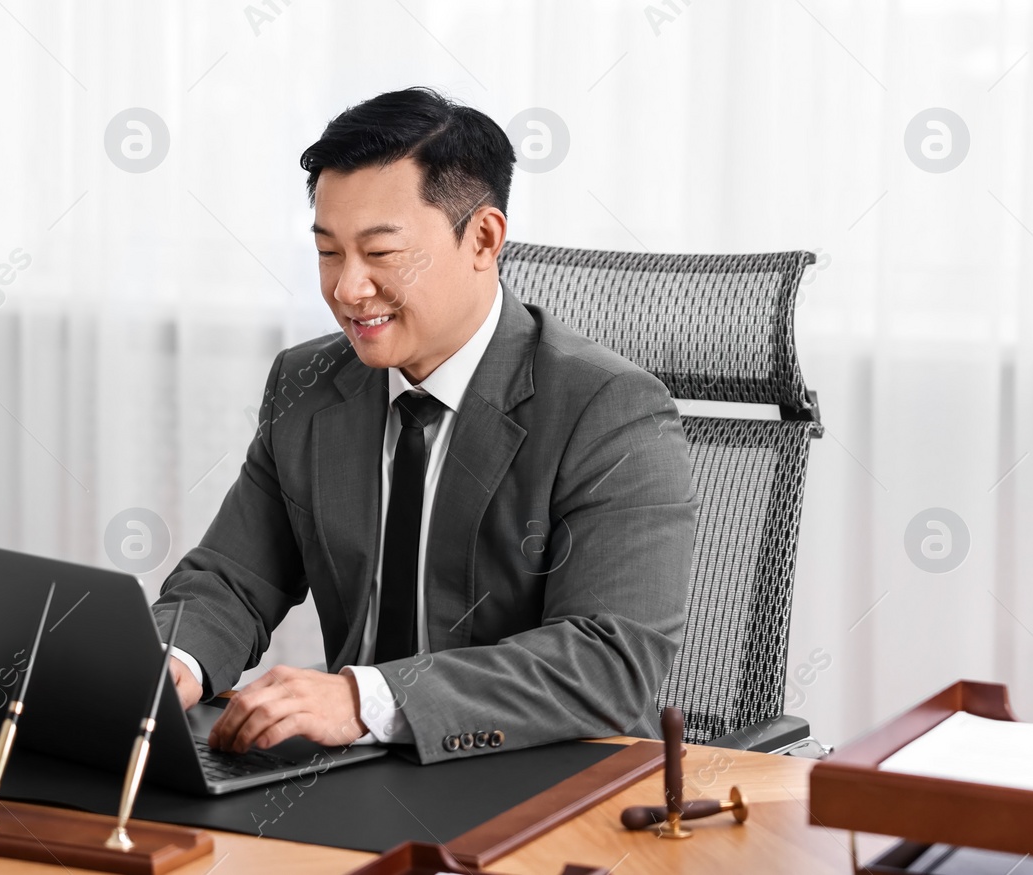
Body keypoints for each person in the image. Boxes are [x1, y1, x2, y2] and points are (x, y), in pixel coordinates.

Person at [153, 86, 697, 764]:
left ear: (483, 238)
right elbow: (233, 578)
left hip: (534, 785)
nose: (348, 289)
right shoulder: (307, 385)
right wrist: (168, 663)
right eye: (328, 252)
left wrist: (363, 699)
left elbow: (608, 663)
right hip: (350, 783)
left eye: (381, 253)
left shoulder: (610, 410)